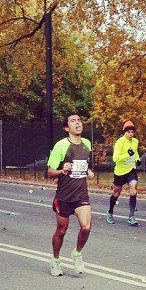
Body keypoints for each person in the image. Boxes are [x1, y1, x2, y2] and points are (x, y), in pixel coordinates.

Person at [46, 113, 94, 277]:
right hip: (64, 196)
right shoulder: (61, 146)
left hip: (81, 194)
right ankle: (55, 259)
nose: (77, 123)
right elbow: (50, 172)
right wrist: (62, 170)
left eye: (79, 120)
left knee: (86, 227)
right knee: (61, 230)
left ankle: (77, 253)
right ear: (67, 128)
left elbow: (82, 164)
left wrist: (87, 171)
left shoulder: (87, 144)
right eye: (73, 121)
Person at [106, 120, 141, 226]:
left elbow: (135, 152)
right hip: (120, 172)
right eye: (128, 132)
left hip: (131, 170)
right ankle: (110, 212)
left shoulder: (135, 141)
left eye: (132, 132)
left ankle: (131, 217)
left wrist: (138, 158)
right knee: (117, 192)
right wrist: (127, 154)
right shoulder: (120, 142)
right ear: (124, 132)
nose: (130, 134)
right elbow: (115, 158)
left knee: (133, 191)